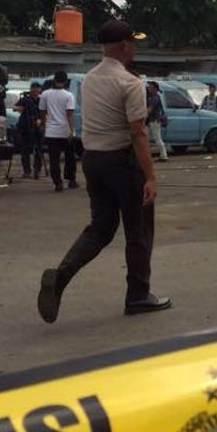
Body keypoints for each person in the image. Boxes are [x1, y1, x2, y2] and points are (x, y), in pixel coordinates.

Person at [37, 19, 169, 323]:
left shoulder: (90, 79)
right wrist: (150, 175)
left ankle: (60, 277)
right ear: (124, 45)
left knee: (100, 228)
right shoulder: (130, 83)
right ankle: (137, 295)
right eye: (133, 42)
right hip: (122, 161)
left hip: (93, 159)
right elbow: (138, 133)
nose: (135, 47)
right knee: (139, 230)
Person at [38, 71, 78, 192]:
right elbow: (70, 114)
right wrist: (71, 130)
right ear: (66, 81)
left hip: (51, 132)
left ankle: (58, 183)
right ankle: (71, 180)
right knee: (70, 157)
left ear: (54, 80)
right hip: (65, 131)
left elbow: (42, 112)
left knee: (54, 159)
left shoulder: (45, 94)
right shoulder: (69, 95)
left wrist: (44, 126)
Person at [14, 81, 44, 179]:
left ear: (40, 90)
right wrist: (20, 108)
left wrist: (40, 120)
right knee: (25, 150)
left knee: (38, 150)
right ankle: (27, 171)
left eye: (37, 89)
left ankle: (37, 170)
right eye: (33, 89)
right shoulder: (25, 99)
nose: (35, 91)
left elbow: (46, 112)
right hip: (25, 127)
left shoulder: (42, 100)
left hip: (37, 127)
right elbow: (15, 107)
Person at [145, 81, 168, 161]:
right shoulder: (152, 97)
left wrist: (141, 114)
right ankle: (147, 156)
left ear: (154, 89)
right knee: (147, 138)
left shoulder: (154, 98)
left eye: (150, 87)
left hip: (154, 121)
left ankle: (164, 155)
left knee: (157, 138)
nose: (148, 88)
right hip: (151, 121)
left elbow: (149, 110)